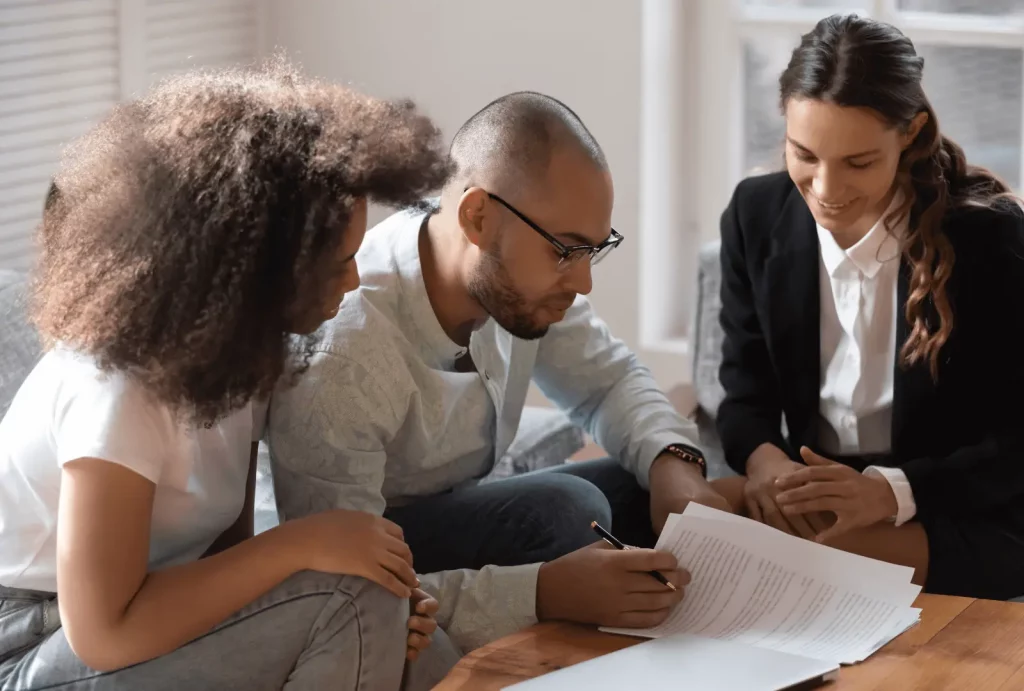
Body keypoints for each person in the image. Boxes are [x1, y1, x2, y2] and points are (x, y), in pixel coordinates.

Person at [0, 61, 454, 689]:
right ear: (254, 266)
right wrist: (301, 546)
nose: (353, 282)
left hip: (140, 619)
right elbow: (103, 633)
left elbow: (224, 560)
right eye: (338, 262)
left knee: (405, 632)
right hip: (35, 645)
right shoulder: (116, 386)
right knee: (354, 600)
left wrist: (378, 596)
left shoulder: (238, 357)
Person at [267, 92, 719, 645]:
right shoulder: (344, 357)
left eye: (593, 251)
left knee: (647, 474)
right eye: (565, 250)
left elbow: (609, 383)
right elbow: (341, 590)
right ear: (477, 217)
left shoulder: (512, 287)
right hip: (366, 549)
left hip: (451, 510)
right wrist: (541, 592)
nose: (583, 283)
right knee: (573, 515)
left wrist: (676, 465)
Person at [713, 14, 1024, 600]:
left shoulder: (992, 237)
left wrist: (892, 492)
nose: (826, 190)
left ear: (910, 133)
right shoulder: (754, 215)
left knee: (791, 557)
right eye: (804, 155)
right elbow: (743, 396)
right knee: (684, 512)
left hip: (956, 499)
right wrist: (765, 466)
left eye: (857, 162)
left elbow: (1014, 445)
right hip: (826, 487)